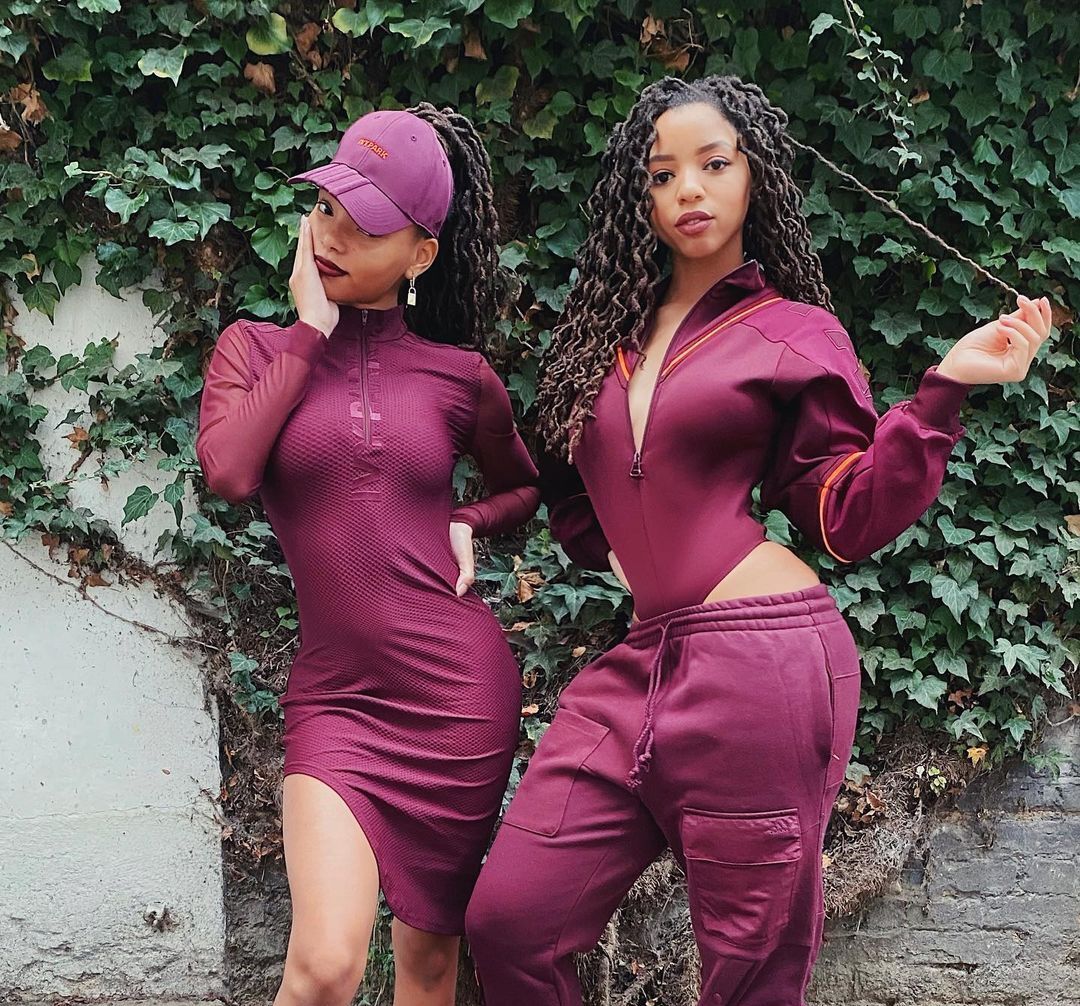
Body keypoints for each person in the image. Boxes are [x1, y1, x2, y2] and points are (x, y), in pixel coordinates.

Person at [464, 74, 1051, 1005]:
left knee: (749, 973)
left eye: (714, 164)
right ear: (636, 197)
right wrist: (606, 551)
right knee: (510, 924)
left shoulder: (791, 332)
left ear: (757, 176)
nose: (688, 190)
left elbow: (846, 514)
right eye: (662, 175)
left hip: (761, 660)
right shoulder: (596, 342)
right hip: (640, 663)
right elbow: (569, 489)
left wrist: (943, 390)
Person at [195, 104, 539, 1006]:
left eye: (366, 223)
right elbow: (229, 472)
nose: (333, 234)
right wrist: (309, 332)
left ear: (421, 253)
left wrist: (470, 518)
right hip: (337, 704)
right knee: (323, 968)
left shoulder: (461, 377)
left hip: (457, 699)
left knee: (427, 966)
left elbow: (525, 486)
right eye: (326, 208)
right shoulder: (254, 350)